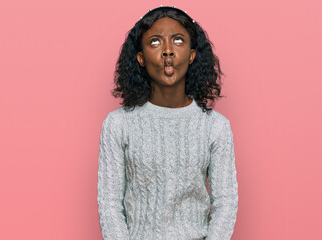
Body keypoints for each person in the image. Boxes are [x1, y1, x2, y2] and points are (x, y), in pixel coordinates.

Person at [97, 6, 238, 240]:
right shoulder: (118, 124)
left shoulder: (216, 127)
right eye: (154, 42)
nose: (167, 51)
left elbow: (226, 204)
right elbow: (110, 204)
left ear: (192, 54)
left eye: (178, 40)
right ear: (140, 58)